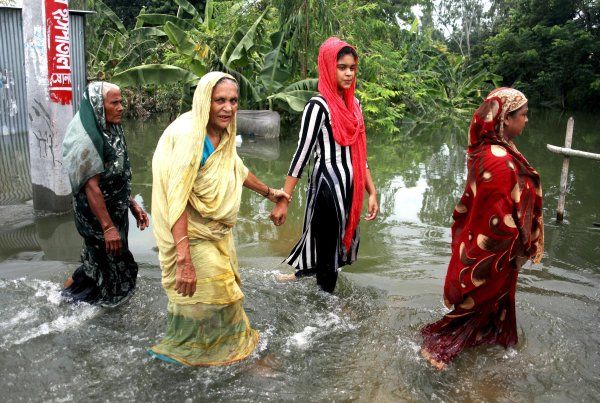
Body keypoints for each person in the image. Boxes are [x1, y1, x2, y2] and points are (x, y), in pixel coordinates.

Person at [149, 72, 290, 366]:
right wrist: (183, 259)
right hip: (187, 231)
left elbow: (236, 168)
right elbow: (176, 200)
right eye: (220, 101)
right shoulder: (190, 136)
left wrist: (271, 193)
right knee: (220, 292)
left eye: (233, 101)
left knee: (224, 290)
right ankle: (185, 354)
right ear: (205, 101)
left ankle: (215, 347)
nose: (228, 108)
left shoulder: (223, 133)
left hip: (215, 231)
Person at [420, 88, 544, 369]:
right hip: (496, 254)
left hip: (492, 250)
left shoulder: (490, 151)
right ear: (505, 119)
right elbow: (499, 220)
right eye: (522, 115)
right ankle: (438, 350)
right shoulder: (499, 161)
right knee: (478, 305)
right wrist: (516, 249)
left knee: (489, 311)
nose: (526, 120)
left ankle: (482, 346)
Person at [270, 37, 378, 293]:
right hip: (328, 188)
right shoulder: (317, 106)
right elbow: (301, 154)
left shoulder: (355, 105)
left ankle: (304, 277)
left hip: (350, 188)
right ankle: (327, 310)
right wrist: (284, 199)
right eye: (342, 67)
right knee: (328, 250)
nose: (349, 73)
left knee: (333, 245)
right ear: (329, 67)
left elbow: (360, 153)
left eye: (352, 67)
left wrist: (371, 192)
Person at [62, 81, 149, 308]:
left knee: (97, 261)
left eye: (121, 101)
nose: (121, 107)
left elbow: (116, 174)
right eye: (115, 103)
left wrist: (131, 203)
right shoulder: (86, 139)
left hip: (112, 211)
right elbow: (91, 187)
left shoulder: (111, 128)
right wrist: (108, 227)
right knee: (109, 264)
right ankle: (86, 307)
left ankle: (66, 296)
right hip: (97, 216)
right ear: (99, 106)